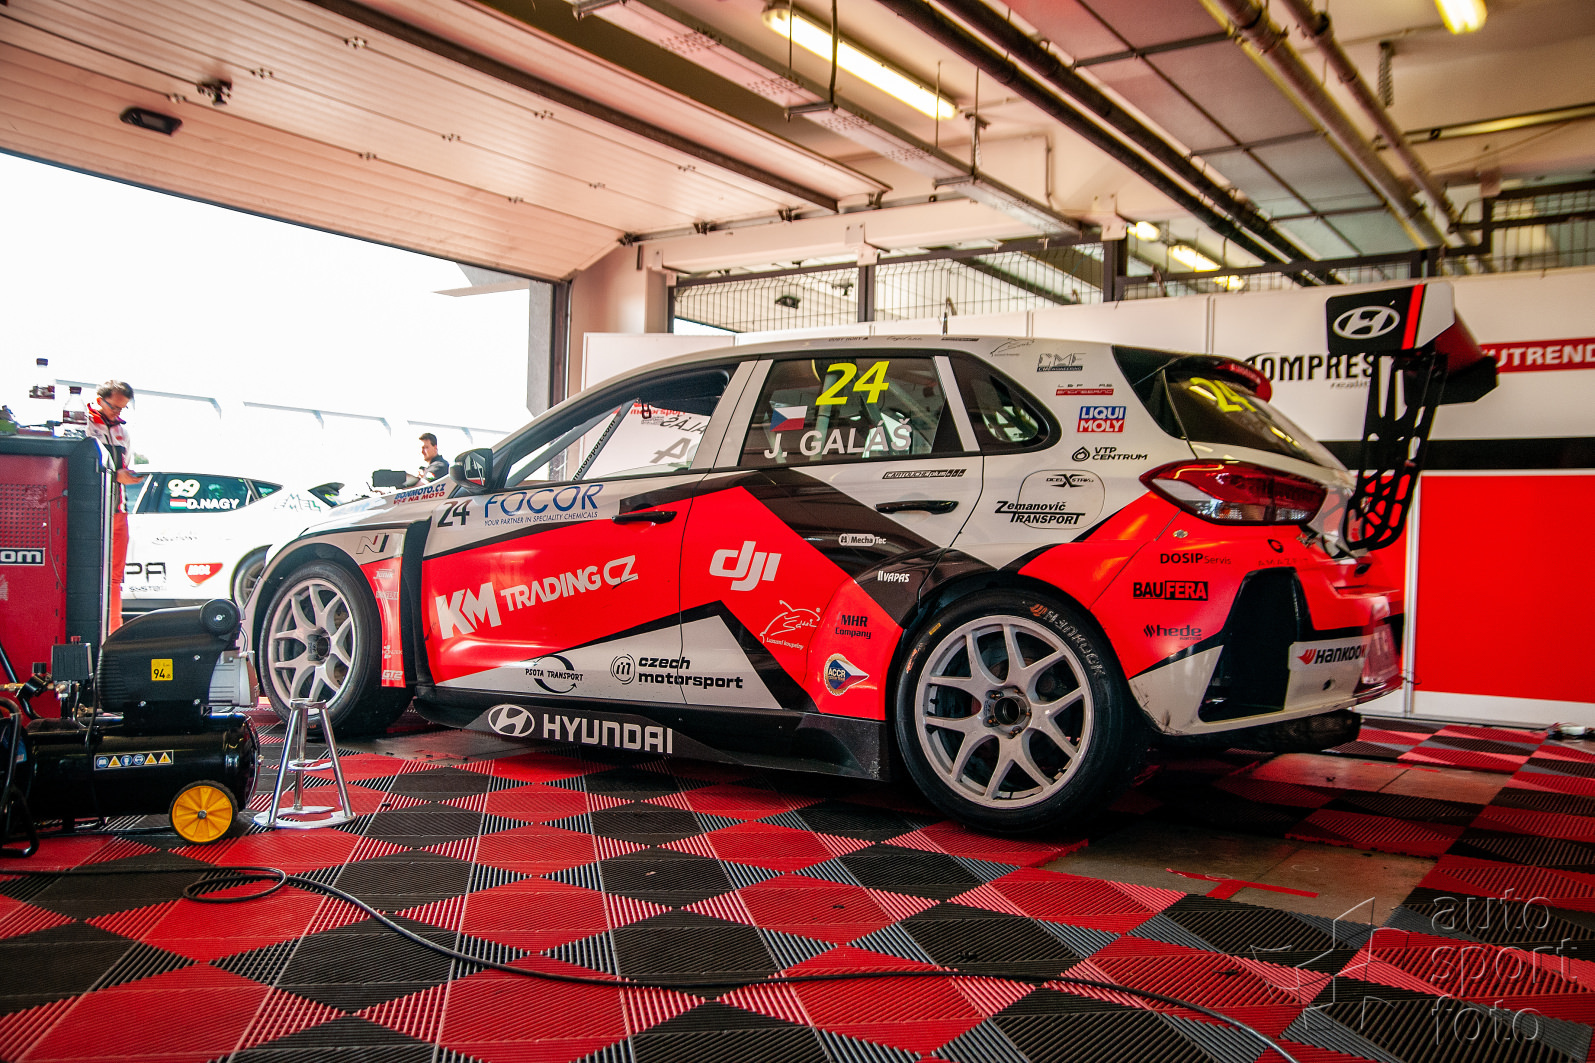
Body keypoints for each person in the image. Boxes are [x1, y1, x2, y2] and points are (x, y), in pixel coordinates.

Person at [82, 380, 146, 632]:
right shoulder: (83, 422)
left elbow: (123, 467)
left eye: (122, 408)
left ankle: (112, 633)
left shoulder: (123, 432)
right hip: (90, 512)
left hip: (117, 511)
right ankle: (89, 632)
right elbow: (82, 467)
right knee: (88, 575)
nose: (117, 412)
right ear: (100, 400)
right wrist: (114, 475)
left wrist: (125, 476)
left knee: (114, 578)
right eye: (114, 407)